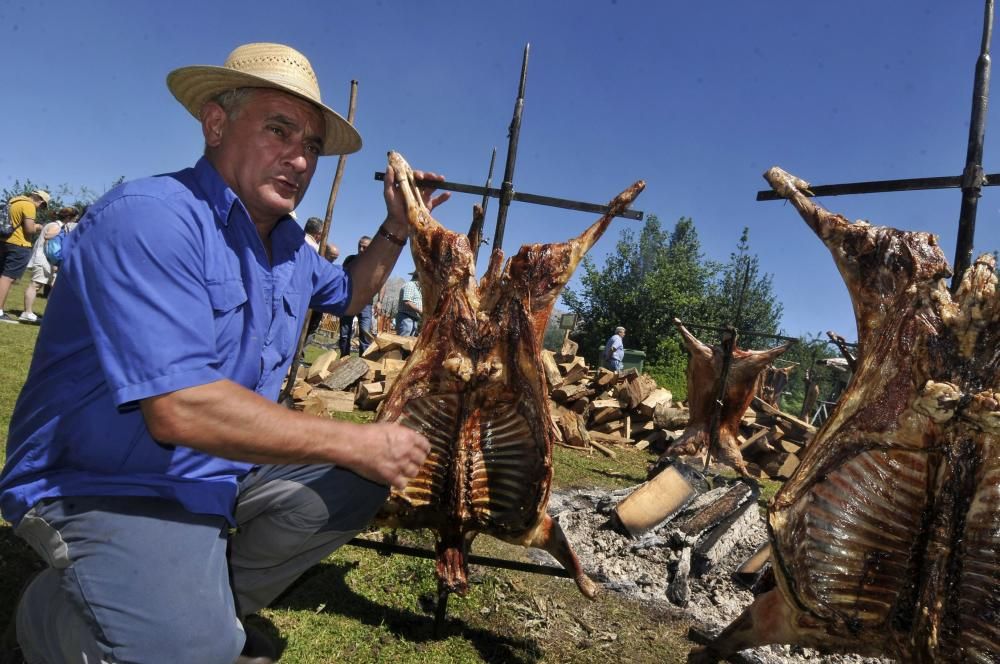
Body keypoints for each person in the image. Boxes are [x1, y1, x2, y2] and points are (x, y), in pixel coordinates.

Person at [0, 42, 449, 664]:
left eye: (312, 145)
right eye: (278, 129)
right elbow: (178, 409)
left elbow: (351, 293)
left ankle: (199, 609)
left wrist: (397, 227)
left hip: (215, 473)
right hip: (103, 481)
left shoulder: (290, 248)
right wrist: (356, 439)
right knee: (194, 653)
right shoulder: (152, 218)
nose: (299, 158)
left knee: (352, 485)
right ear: (216, 123)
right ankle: (48, 618)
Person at [20, 206, 79, 322]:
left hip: (44, 259)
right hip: (44, 260)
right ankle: (27, 312)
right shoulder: (57, 227)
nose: (75, 220)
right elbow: (49, 244)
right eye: (74, 218)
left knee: (44, 285)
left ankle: (40, 313)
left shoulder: (52, 224)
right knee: (35, 285)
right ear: (68, 217)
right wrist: (55, 262)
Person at [0, 189, 49, 322]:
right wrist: (39, 227)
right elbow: (29, 229)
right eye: (43, 205)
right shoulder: (29, 205)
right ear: (39, 199)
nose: (41, 208)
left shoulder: (13, 201)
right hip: (19, 245)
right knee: (7, 278)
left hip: (4, 241)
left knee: (2, 276)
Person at [338, 235, 377, 356]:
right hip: (348, 300)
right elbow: (341, 276)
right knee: (345, 334)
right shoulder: (350, 259)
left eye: (364, 247)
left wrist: (380, 301)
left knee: (365, 334)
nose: (361, 249)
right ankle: (343, 359)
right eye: (359, 246)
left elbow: (382, 282)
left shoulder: (375, 264)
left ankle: (363, 363)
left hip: (365, 303)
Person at [396, 270, 422, 336]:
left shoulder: (417, 288)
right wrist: (420, 311)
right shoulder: (410, 285)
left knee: (408, 342)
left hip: (412, 318)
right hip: (406, 317)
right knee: (403, 341)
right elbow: (407, 302)